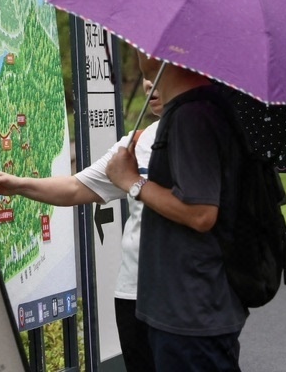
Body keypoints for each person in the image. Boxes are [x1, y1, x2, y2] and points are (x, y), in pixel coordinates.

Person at [0, 78, 162, 372]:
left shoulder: (205, 137)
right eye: (147, 73)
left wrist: (132, 183)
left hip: (186, 297)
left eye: (160, 72)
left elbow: (202, 215)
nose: (149, 84)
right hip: (133, 293)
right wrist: (16, 185)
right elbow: (75, 188)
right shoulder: (136, 143)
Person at [106, 54, 248, 372]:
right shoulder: (199, 111)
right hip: (191, 306)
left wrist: (132, 182)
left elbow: (201, 213)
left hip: (191, 312)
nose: (138, 51)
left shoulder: (192, 115)